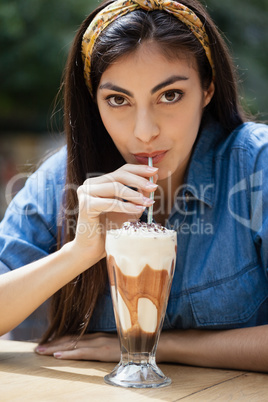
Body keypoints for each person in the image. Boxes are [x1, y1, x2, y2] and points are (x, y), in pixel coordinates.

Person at [1, 0, 268, 371]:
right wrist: (81, 251)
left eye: (170, 95)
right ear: (94, 102)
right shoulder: (60, 180)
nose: (145, 132)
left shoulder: (256, 164)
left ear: (207, 89)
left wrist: (156, 346)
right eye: (118, 100)